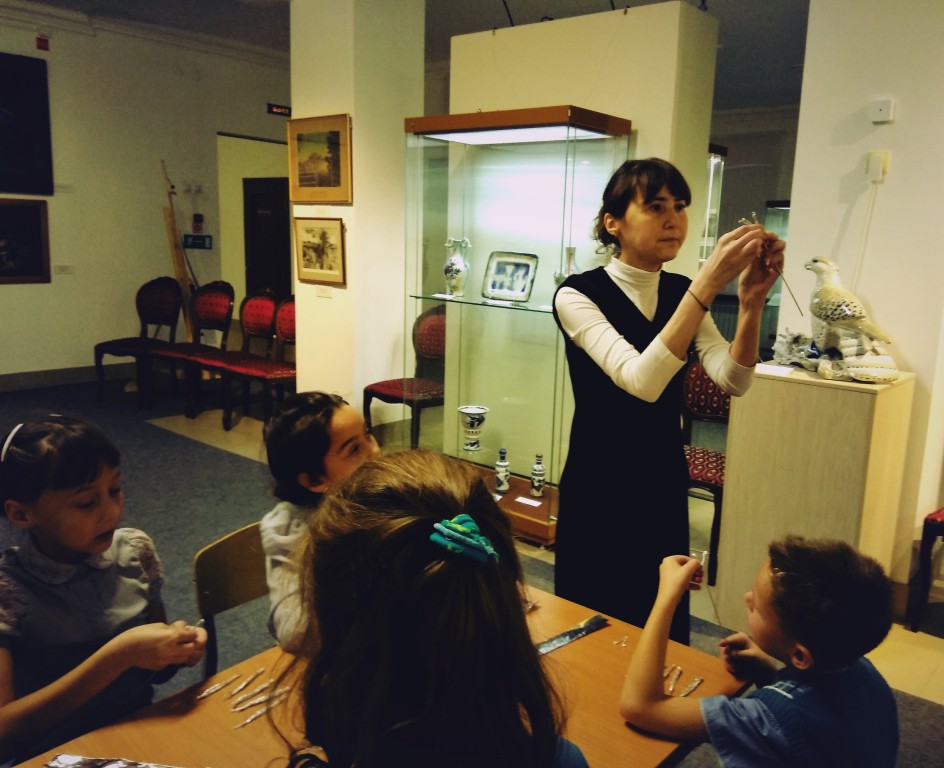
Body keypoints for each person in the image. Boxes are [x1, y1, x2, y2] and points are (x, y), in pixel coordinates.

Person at [552, 157, 784, 641]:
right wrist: (707, 284)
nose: (673, 219)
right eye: (655, 207)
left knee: (660, 610)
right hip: (600, 477)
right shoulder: (576, 295)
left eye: (679, 207)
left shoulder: (681, 291)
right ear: (613, 223)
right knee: (595, 616)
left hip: (660, 474)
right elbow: (641, 380)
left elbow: (733, 378)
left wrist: (750, 303)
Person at [278, 450, 587, 767]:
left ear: (325, 611)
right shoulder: (561, 761)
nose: (373, 449)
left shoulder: (341, 752)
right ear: (501, 597)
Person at [0, 416, 207, 762]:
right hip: (55, 754)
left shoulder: (135, 551)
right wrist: (118, 656)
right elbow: (4, 735)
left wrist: (177, 648)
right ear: (21, 514)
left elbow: (156, 673)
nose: (111, 512)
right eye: (85, 503)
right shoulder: (8, 592)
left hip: (138, 732)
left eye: (115, 490)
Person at [619, 535, 899, 768]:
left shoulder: (764, 719)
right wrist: (769, 673)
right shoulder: (864, 670)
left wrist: (668, 595)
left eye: (756, 606)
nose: (747, 598)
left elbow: (641, 707)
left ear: (800, 656)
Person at [261, 391, 379, 652]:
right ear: (315, 480)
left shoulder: (373, 498)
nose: (375, 451)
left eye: (368, 434)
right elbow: (295, 632)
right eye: (354, 449)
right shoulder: (291, 532)